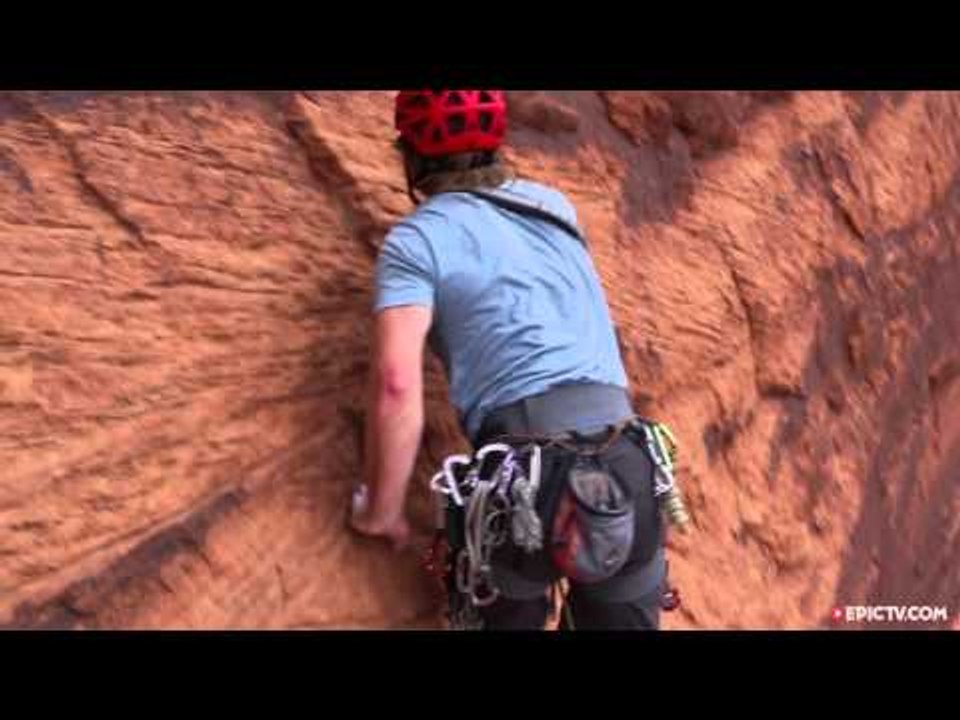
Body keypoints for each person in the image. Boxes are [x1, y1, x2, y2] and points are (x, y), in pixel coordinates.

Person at [349, 90, 668, 630]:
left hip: (522, 483)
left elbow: (398, 383)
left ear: (410, 156)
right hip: (629, 463)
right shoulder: (554, 206)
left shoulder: (417, 241)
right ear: (497, 143)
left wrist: (382, 511)